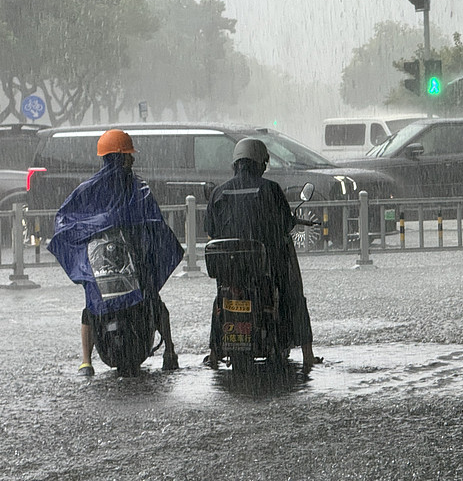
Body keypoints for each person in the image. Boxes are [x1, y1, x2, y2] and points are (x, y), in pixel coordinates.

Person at [48, 129, 184, 376]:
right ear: (122, 157)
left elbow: (66, 222)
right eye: (129, 155)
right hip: (135, 266)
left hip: (100, 269)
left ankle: (85, 362)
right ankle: (170, 351)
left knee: (90, 306)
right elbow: (154, 225)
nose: (133, 160)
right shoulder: (137, 187)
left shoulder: (88, 190)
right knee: (153, 299)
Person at [204, 138, 321, 372]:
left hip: (229, 271)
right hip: (264, 268)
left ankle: (214, 354)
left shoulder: (219, 192)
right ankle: (308, 355)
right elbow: (285, 223)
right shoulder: (270, 189)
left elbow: (211, 230)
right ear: (261, 163)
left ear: (236, 163)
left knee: (220, 301)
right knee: (294, 296)